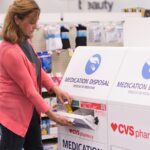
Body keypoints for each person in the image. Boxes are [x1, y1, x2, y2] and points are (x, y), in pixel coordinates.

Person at [0, 0, 72, 150]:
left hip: (31, 111)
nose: (36, 26)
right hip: (15, 116)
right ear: (17, 20)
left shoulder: (25, 41)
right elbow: (29, 89)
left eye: (36, 21)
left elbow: (38, 69)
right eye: (32, 22)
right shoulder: (9, 51)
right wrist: (52, 115)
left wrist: (54, 87)